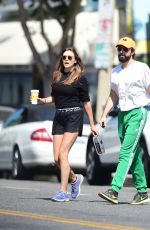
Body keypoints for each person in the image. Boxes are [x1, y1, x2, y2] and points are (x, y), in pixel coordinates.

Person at [37, 47, 99, 202]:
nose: (66, 59)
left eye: (69, 57)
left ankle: (63, 192)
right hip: (59, 116)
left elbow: (86, 103)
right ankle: (74, 179)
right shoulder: (57, 76)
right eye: (64, 57)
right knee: (57, 158)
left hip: (74, 115)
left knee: (63, 154)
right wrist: (43, 100)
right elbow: (54, 97)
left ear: (75, 60)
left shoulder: (80, 79)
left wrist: (92, 124)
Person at [98, 37, 150, 205]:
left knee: (125, 152)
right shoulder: (115, 72)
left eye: (125, 49)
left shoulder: (143, 68)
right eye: (119, 48)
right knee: (133, 154)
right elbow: (114, 95)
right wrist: (104, 114)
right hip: (122, 114)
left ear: (132, 52)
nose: (121, 51)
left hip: (138, 112)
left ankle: (114, 190)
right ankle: (143, 192)